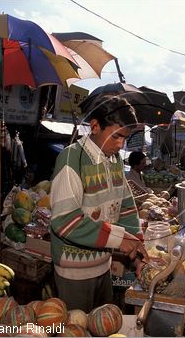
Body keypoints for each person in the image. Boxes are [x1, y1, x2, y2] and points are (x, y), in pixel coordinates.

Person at [50, 95, 149, 312]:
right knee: (77, 329)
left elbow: (126, 208)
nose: (121, 144)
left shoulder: (114, 161)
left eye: (125, 138)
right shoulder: (70, 159)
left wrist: (138, 253)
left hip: (104, 268)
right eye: (116, 137)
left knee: (103, 327)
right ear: (95, 126)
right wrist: (119, 239)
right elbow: (65, 222)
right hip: (74, 273)